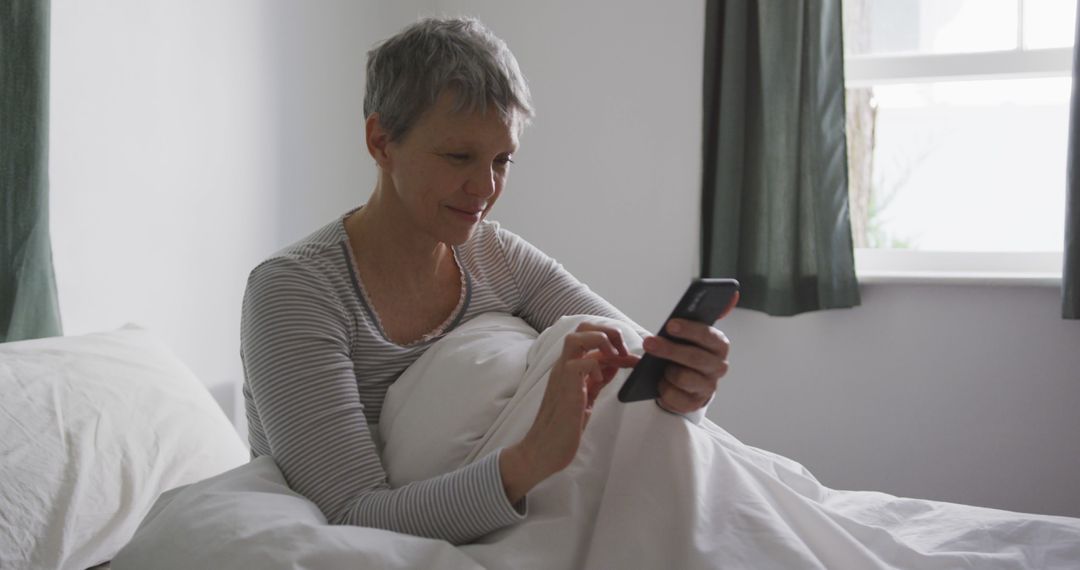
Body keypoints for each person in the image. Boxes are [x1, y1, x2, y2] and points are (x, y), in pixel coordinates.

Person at [239, 16, 731, 545]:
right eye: (459, 156)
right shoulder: (295, 292)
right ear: (381, 142)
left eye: (503, 159)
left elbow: (631, 357)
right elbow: (351, 516)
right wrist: (527, 462)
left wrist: (680, 390)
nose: (485, 187)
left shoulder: (498, 257)